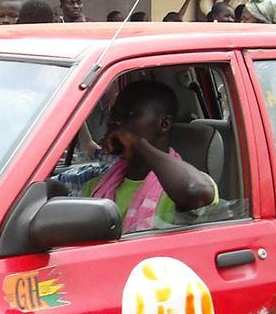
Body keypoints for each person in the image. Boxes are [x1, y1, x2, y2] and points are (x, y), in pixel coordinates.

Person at [82, 80, 217, 232]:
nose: (116, 121)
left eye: (128, 114)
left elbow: (195, 191)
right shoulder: (96, 188)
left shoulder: (180, 186)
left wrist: (137, 143)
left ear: (164, 124)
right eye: (114, 114)